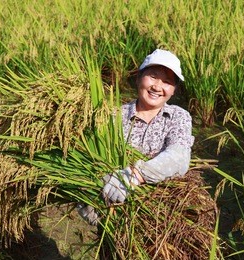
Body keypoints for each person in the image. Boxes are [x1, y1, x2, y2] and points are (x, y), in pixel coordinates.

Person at [78, 49, 195, 225]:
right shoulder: (113, 116)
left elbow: (179, 157)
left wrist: (134, 175)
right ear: (139, 78)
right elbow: (94, 164)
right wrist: (87, 195)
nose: (157, 86)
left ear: (173, 90)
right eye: (153, 77)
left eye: (167, 82)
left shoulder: (179, 117)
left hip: (163, 220)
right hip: (114, 218)